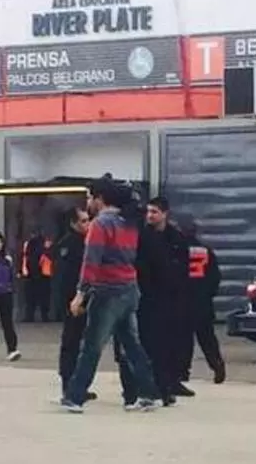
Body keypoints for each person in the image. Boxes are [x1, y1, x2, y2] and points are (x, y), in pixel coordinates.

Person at [61, 176, 162, 413]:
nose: (87, 202)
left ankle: (75, 395)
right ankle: (149, 392)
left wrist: (80, 294)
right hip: (129, 288)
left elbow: (91, 261)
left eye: (89, 197)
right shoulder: (129, 221)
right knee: (132, 344)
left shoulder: (101, 224)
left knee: (92, 346)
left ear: (100, 199)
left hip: (107, 291)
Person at [138, 196, 192, 403]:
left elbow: (183, 269)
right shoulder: (143, 237)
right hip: (149, 298)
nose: (150, 216)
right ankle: (154, 387)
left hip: (172, 299)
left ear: (165, 214)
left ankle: (169, 384)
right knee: (151, 345)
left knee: (170, 345)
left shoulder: (176, 238)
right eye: (148, 212)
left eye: (154, 212)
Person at [176, 215, 226, 387]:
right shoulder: (205, 250)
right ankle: (217, 365)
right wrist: (209, 293)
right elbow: (215, 276)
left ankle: (183, 372)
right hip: (203, 300)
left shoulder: (177, 250)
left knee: (183, 338)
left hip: (183, 299)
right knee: (207, 337)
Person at [54, 206, 97, 401]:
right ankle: (68, 384)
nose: (87, 224)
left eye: (88, 220)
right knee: (71, 343)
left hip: (85, 301)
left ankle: (79, 385)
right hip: (73, 302)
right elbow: (66, 279)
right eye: (83, 221)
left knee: (82, 345)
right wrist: (74, 302)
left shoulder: (86, 243)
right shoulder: (69, 245)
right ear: (73, 223)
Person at [0, 232, 21, 362]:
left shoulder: (7, 259)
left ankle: (12, 349)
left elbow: (12, 277)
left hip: (5, 294)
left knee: (7, 322)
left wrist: (12, 289)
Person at [22, 232, 53, 322]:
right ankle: (44, 316)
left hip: (32, 275)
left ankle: (30, 316)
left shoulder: (30, 246)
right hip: (43, 275)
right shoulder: (44, 247)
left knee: (31, 298)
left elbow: (28, 260)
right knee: (43, 297)